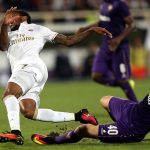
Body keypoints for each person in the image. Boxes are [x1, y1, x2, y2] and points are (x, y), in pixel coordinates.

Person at [0, 7, 112, 145]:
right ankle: (80, 115)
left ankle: (15, 133)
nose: (10, 18)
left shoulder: (38, 29)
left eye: (13, 16)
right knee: (28, 111)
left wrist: (89, 31)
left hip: (30, 66)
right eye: (8, 16)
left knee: (9, 94)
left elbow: (69, 41)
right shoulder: (8, 34)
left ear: (24, 18)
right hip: (31, 72)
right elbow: (3, 46)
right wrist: (4, 25)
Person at [77, 0, 137, 102]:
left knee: (122, 79)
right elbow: (102, 21)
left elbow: (132, 25)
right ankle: (123, 84)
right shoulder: (103, 4)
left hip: (119, 47)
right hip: (106, 46)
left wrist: (119, 39)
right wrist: (86, 28)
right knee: (96, 76)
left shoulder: (120, 4)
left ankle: (137, 106)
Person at [32, 93, 150, 144]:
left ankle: (54, 140)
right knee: (105, 100)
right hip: (132, 110)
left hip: (131, 129)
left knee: (84, 129)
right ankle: (114, 129)